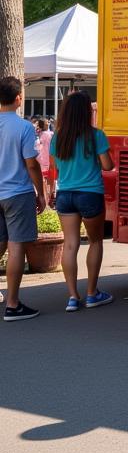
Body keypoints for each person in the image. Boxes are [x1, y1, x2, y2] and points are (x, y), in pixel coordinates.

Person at [50, 92, 114, 311]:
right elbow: (107, 166)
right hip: (90, 194)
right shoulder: (96, 135)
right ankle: (92, 293)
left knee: (70, 244)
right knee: (95, 242)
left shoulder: (58, 137)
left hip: (65, 194)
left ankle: (72, 297)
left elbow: (56, 168)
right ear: (87, 111)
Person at [0, 76, 47, 320]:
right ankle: (13, 303)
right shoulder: (24, 128)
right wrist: (41, 193)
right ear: (19, 98)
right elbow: (32, 165)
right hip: (17, 192)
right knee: (16, 246)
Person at [35, 118, 54, 204]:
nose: (48, 123)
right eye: (47, 122)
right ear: (45, 125)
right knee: (50, 179)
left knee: (44, 180)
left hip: (42, 159)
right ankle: (50, 197)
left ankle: (45, 197)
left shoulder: (40, 134)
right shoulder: (50, 134)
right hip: (49, 159)